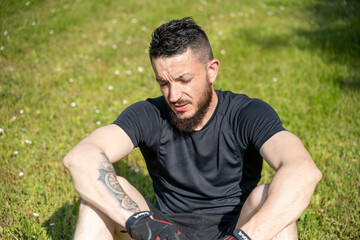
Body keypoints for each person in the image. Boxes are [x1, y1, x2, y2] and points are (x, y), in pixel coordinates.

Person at [63, 17, 322, 240]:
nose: (174, 95)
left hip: (237, 230)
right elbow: (81, 157)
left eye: (184, 80)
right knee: (99, 199)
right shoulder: (150, 113)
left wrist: (243, 236)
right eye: (163, 83)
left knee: (269, 197)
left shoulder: (247, 113)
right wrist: (141, 222)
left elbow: (303, 171)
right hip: (161, 232)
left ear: (212, 71)